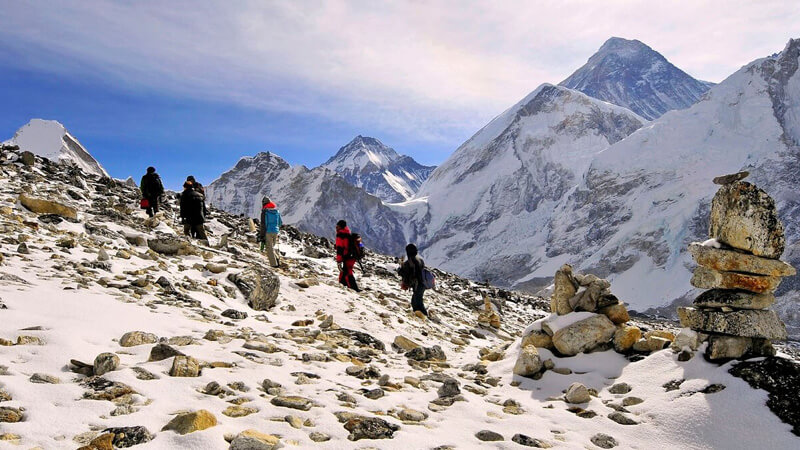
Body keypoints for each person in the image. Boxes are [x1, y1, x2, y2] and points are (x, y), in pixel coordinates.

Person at [398, 243, 428, 319]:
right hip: (422, 283)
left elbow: (409, 272)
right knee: (415, 300)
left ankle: (424, 317)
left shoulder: (411, 261)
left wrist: (401, 270)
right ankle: (420, 316)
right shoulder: (419, 259)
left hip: (418, 283)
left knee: (417, 301)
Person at [335, 220, 359, 291]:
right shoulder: (347, 233)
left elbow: (340, 249)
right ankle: (343, 284)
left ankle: (353, 288)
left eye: (337, 226)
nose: (336, 227)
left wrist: (339, 261)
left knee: (347, 272)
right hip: (352, 256)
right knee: (345, 271)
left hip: (347, 257)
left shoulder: (340, 235)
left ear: (340, 227)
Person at [258, 196, 282, 267]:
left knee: (269, 249)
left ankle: (274, 265)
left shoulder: (265, 212)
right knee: (272, 247)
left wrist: (262, 235)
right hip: (275, 231)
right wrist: (276, 229)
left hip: (268, 232)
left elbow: (263, 224)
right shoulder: (277, 212)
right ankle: (277, 260)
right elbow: (280, 223)